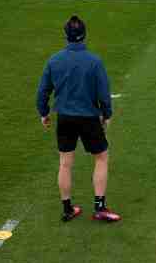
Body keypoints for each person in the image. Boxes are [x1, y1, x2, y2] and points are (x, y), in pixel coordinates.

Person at [37, 16, 120, 223]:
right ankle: (99, 207)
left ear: (66, 36)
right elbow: (103, 92)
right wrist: (107, 114)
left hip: (65, 117)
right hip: (88, 117)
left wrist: (44, 112)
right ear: (84, 35)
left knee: (65, 163)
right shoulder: (94, 61)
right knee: (101, 157)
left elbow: (43, 91)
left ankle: (67, 208)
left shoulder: (54, 60)